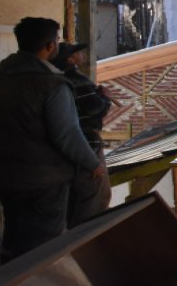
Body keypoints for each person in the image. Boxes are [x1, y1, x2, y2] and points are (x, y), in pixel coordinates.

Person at [0, 17, 104, 264]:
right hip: (41, 179)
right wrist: (92, 163)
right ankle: (30, 279)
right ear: (50, 45)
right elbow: (67, 135)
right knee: (42, 248)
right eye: (57, 40)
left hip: (1, 175)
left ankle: (10, 277)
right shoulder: (51, 85)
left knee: (14, 238)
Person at [51, 42, 112, 228]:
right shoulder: (76, 81)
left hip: (74, 149)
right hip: (87, 145)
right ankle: (86, 238)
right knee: (94, 198)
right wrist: (104, 97)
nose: (81, 54)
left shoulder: (59, 80)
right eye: (76, 52)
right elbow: (96, 108)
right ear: (70, 60)